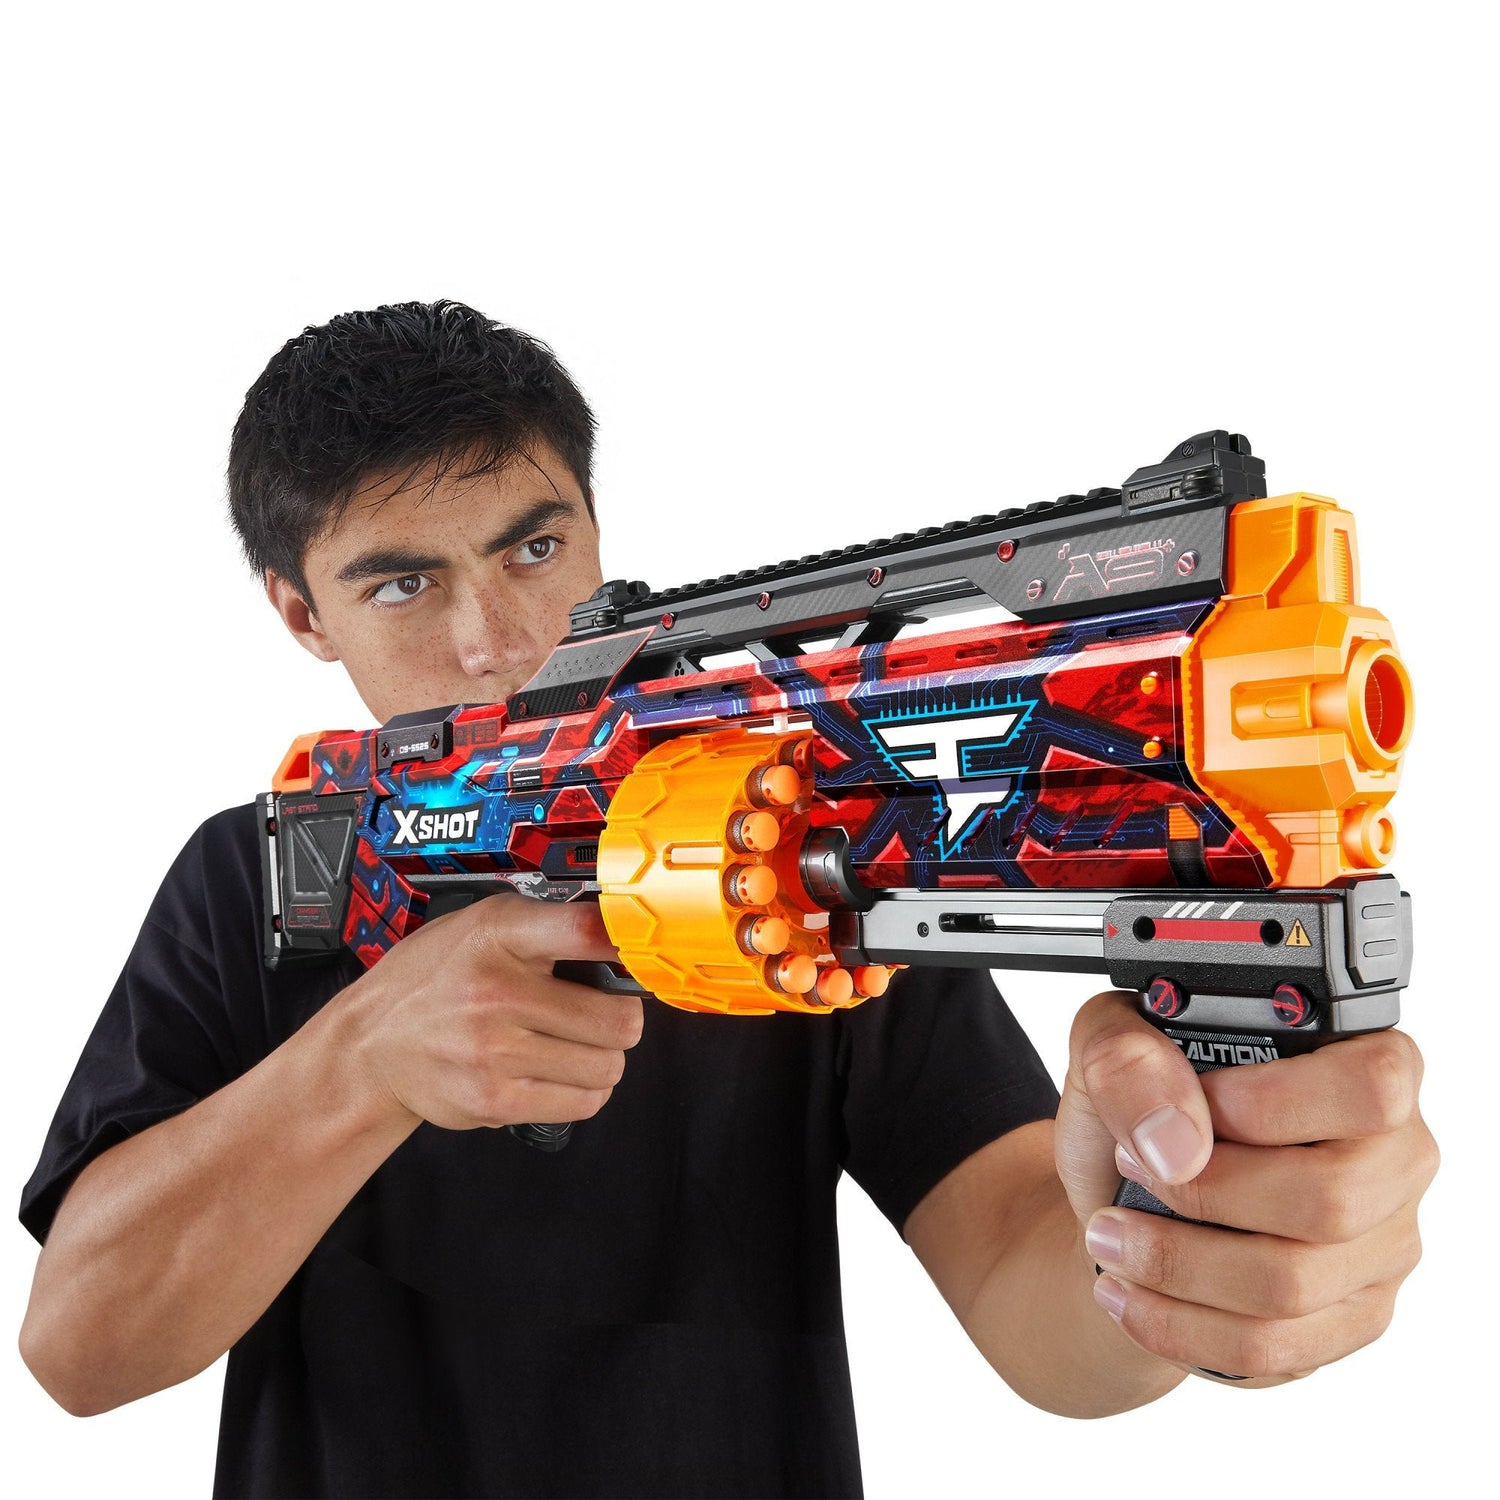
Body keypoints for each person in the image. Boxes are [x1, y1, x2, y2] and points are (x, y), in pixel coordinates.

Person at [19, 301, 1438, 1499]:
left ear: (594, 530)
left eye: (532, 550)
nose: (493, 641)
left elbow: (1038, 1304)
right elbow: (78, 1352)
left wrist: (1178, 1244)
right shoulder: (269, 869)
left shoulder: (811, 837)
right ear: (301, 613)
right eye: (401, 585)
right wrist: (362, 1062)